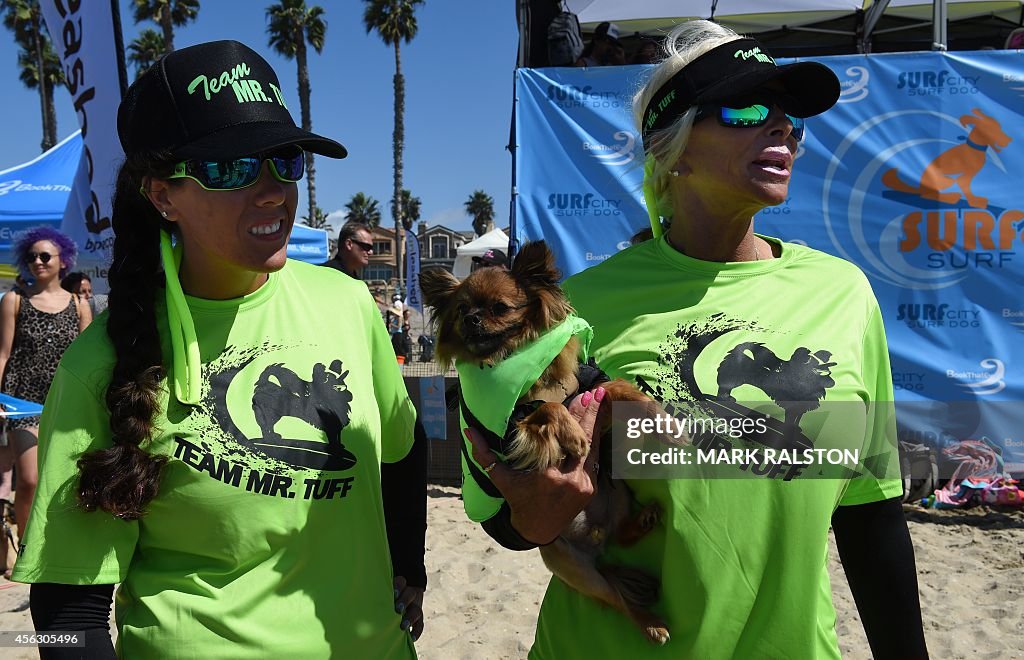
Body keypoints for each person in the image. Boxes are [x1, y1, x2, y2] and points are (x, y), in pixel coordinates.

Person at [466, 21, 928, 659]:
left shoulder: (843, 294)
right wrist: (527, 520)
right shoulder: (580, 307)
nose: (781, 128)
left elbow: (870, 513)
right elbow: (508, 504)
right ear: (673, 148)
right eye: (747, 108)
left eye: (789, 117)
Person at [12, 40, 425, 659]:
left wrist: (409, 567)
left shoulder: (347, 303)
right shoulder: (102, 364)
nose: (270, 190)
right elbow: (68, 606)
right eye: (229, 168)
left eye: (283, 160)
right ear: (162, 195)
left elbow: (403, 444)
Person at [0, 227, 91, 578]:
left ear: (62, 261)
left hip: (64, 401)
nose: (37, 262)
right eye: (32, 256)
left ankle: (56, 544)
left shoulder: (79, 304)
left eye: (45, 256)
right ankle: (26, 548)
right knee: (29, 479)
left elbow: (87, 360)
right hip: (21, 402)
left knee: (65, 478)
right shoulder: (14, 299)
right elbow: (4, 353)